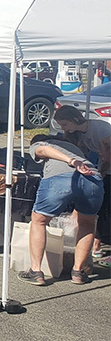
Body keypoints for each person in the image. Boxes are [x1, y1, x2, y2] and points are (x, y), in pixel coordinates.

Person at [17, 135, 104, 286]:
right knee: (87, 223)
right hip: (93, 179)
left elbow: (44, 150)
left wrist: (72, 161)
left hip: (60, 179)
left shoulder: (40, 143)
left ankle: (35, 271)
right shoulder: (73, 147)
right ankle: (78, 272)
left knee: (39, 221)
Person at [54, 105, 111, 266]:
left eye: (65, 124)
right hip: (104, 170)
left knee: (105, 209)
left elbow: (107, 154)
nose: (64, 128)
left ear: (75, 119)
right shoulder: (80, 135)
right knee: (100, 209)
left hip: (107, 169)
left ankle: (98, 244)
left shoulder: (100, 127)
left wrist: (102, 170)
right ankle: (96, 244)